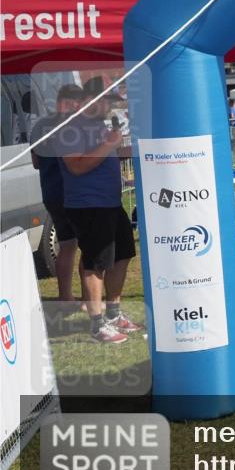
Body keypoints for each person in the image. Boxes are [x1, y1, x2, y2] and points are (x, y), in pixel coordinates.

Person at [51, 78, 141, 343]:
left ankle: (113, 314)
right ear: (87, 101)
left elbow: (108, 153)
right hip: (88, 205)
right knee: (95, 263)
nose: (109, 107)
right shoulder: (69, 128)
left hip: (110, 203)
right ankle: (97, 324)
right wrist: (111, 144)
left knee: (122, 256)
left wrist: (136, 150)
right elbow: (76, 166)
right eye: (105, 101)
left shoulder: (99, 127)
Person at [30, 84, 84, 307]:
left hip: (50, 192)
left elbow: (35, 163)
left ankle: (65, 296)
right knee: (88, 245)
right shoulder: (74, 125)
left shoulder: (39, 126)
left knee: (66, 245)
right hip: (73, 192)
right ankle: (88, 298)